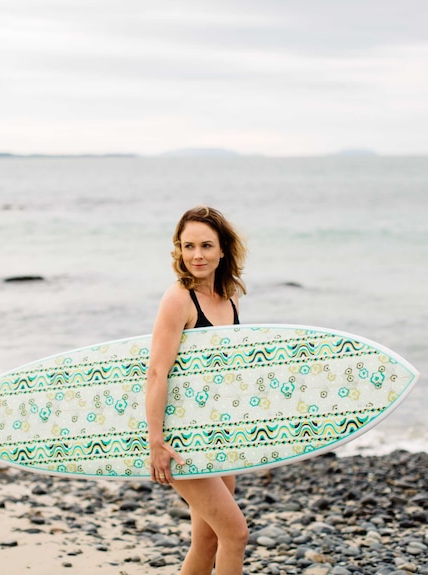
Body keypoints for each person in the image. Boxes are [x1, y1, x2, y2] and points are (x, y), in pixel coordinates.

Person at [145, 206, 250, 575]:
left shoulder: (231, 296)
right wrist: (156, 441)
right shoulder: (178, 299)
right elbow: (157, 373)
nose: (197, 255)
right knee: (235, 534)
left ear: (223, 250)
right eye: (188, 246)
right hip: (182, 440)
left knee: (208, 541)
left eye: (206, 245)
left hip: (219, 435)